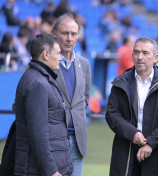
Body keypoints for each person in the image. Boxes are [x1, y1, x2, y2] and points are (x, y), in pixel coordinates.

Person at [105, 37, 158, 176]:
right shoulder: (120, 82)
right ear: (132, 55)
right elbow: (112, 114)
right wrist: (133, 133)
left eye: (145, 53)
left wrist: (150, 143)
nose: (140, 57)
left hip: (156, 153)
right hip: (125, 152)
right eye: (136, 52)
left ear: (156, 57)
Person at [14, 33, 73, 176]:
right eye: (58, 53)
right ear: (46, 54)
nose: (60, 57)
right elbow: (37, 132)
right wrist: (51, 170)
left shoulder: (40, 78)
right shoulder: (38, 84)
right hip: (39, 169)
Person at [52, 13, 91, 176]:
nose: (69, 38)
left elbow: (84, 100)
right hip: (53, 142)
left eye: (74, 34)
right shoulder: (45, 63)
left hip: (77, 141)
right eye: (65, 33)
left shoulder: (85, 64)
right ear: (54, 34)